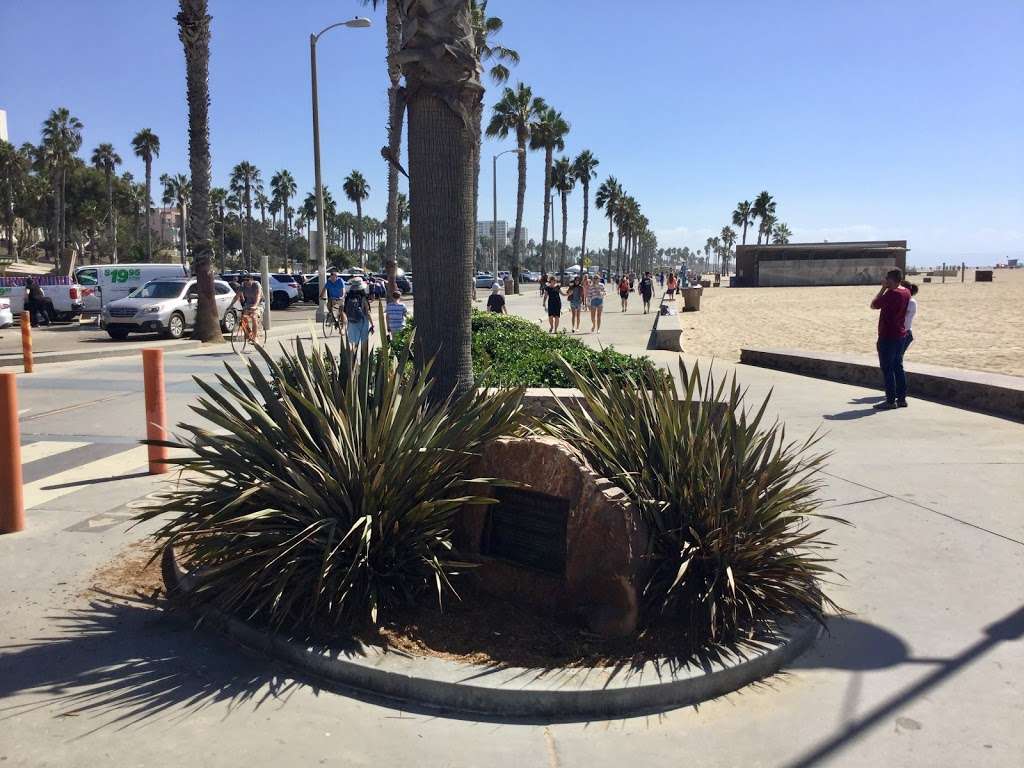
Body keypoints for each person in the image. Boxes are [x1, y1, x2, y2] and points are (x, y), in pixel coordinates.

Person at [870, 269, 912, 409]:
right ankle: (901, 399)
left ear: (891, 280)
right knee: (898, 367)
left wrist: (882, 288)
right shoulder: (906, 292)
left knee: (887, 369)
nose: (885, 280)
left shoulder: (891, 293)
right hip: (901, 335)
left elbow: (874, 304)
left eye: (886, 279)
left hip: (888, 335)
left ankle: (890, 401)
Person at [342, 276, 374, 346]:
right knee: (363, 344)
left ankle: (352, 357)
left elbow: (344, 311)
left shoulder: (348, 298)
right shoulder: (363, 298)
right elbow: (367, 312)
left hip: (351, 321)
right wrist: (372, 324)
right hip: (363, 321)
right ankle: (363, 357)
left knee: (353, 345)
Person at [901, 280, 919, 353]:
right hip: (902, 332)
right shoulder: (906, 301)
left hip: (905, 332)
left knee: (897, 357)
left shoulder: (910, 302)